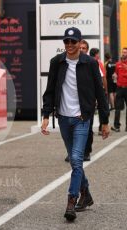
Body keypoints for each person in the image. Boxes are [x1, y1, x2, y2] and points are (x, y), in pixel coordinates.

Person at [41, 27, 110, 221]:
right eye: (67, 42)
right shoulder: (57, 62)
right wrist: (46, 115)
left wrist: (104, 121)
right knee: (74, 160)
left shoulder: (90, 63)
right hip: (63, 118)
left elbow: (100, 93)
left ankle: (72, 200)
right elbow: (50, 91)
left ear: (81, 43)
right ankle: (86, 194)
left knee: (77, 158)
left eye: (73, 41)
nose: (70, 45)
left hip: (82, 118)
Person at [64, 39, 92, 162]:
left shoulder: (92, 63)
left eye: (84, 48)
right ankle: (73, 152)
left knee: (88, 130)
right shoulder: (65, 63)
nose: (81, 50)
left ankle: (86, 151)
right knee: (70, 132)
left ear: (87, 50)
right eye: (80, 48)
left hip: (87, 105)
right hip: (70, 108)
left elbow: (100, 82)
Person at [89, 48, 108, 136]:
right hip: (98, 89)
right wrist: (106, 89)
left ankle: (89, 129)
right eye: (98, 54)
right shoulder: (98, 62)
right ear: (96, 54)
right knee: (102, 109)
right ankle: (101, 128)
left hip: (90, 90)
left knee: (91, 109)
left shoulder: (87, 61)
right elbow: (103, 77)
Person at [111, 47, 127, 132]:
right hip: (119, 88)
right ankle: (116, 126)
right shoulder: (118, 64)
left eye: (125, 52)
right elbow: (115, 73)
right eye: (123, 52)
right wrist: (114, 75)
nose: (123, 53)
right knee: (117, 108)